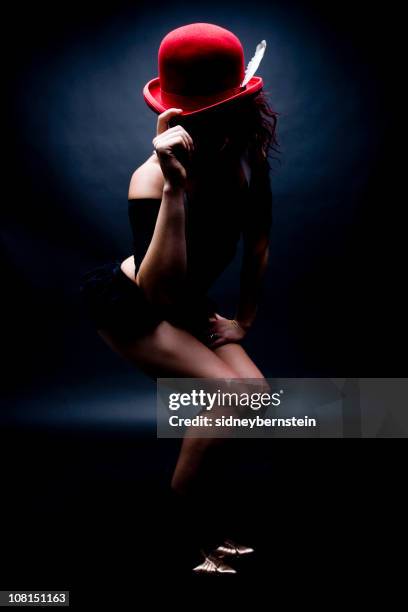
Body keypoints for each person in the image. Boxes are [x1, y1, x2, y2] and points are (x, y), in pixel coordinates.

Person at [80, 22, 278, 574]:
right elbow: (155, 290)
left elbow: (258, 242)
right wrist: (173, 185)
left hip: (180, 299)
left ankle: (208, 518)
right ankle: (191, 535)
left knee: (253, 396)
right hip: (133, 306)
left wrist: (244, 320)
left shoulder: (245, 155)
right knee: (227, 395)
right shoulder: (149, 177)